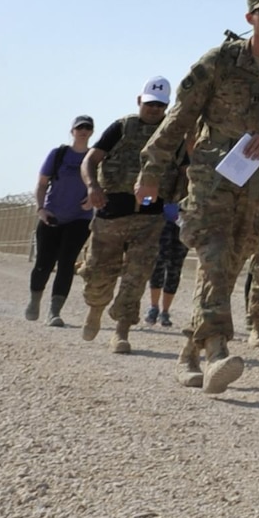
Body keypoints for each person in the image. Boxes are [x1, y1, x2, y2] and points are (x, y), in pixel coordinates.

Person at [136, 0, 259, 395]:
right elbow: (180, 115)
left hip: (258, 187)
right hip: (210, 181)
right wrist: (151, 169)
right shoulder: (218, 61)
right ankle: (219, 351)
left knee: (226, 267)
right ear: (249, 17)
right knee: (216, 259)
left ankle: (189, 350)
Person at [77, 80, 174, 353]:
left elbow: (185, 168)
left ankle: (121, 331)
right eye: (150, 103)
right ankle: (96, 309)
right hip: (111, 215)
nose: (154, 109)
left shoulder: (172, 134)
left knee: (137, 276)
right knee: (98, 274)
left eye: (160, 105)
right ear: (139, 101)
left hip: (150, 219)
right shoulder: (122, 127)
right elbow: (90, 160)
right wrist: (93, 186)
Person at [29, 116, 95, 324]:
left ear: (92, 131)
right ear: (72, 131)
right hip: (53, 215)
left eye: (87, 127)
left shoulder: (94, 158)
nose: (83, 131)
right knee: (44, 263)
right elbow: (41, 183)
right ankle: (34, 300)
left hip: (80, 218)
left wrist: (92, 200)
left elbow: (103, 184)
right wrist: (41, 209)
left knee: (67, 263)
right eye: (79, 127)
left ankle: (54, 312)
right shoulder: (59, 155)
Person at [146, 197, 185, 328]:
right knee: (159, 264)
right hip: (162, 220)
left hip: (183, 221)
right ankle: (154, 307)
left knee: (175, 267)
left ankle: (165, 311)